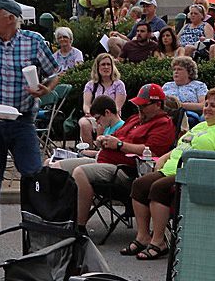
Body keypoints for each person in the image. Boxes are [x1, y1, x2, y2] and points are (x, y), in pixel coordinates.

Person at [0, 0, 60, 258]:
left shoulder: (33, 41)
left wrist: (45, 89)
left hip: (22, 122)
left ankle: (39, 235)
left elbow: (54, 72)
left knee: (33, 176)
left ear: (10, 17)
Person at [126, 87, 215, 260]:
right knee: (139, 184)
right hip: (172, 169)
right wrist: (163, 157)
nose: (207, 108)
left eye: (213, 106)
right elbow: (181, 147)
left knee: (159, 188)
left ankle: (159, 242)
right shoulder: (201, 125)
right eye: (206, 104)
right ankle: (143, 236)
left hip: (195, 174)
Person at [59, 84, 177, 227]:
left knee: (80, 172)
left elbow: (152, 152)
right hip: (103, 159)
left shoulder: (163, 124)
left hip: (125, 169)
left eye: (143, 106)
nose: (139, 109)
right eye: (138, 106)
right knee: (56, 166)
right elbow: (116, 135)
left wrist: (120, 145)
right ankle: (56, 218)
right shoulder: (135, 119)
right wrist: (103, 139)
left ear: (158, 105)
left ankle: (78, 227)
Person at [79, 53, 127, 145]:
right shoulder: (90, 85)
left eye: (108, 64)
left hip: (110, 116)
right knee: (83, 123)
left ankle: (100, 149)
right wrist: (90, 113)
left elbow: (117, 107)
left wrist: (102, 115)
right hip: (93, 115)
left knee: (101, 124)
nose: (106, 67)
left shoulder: (118, 84)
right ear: (97, 67)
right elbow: (86, 104)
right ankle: (88, 149)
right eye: (103, 64)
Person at [162, 56, 208, 123]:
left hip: (189, 115)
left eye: (179, 69)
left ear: (189, 72)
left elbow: (203, 105)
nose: (176, 72)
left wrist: (180, 105)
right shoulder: (167, 86)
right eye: (174, 69)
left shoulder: (199, 85)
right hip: (167, 115)